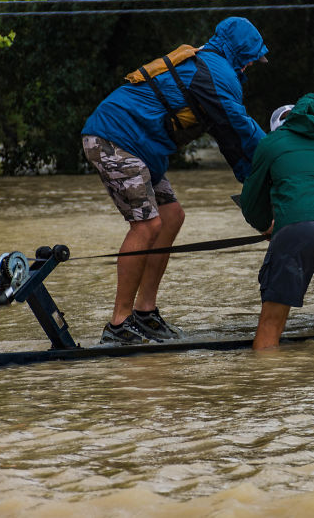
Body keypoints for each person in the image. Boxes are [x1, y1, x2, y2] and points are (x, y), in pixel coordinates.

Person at [81, 17, 269, 345]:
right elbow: (241, 131)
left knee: (171, 216)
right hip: (113, 138)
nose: (252, 64)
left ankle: (145, 313)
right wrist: (275, 164)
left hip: (141, 147)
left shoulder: (214, 69)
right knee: (147, 226)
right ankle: (118, 324)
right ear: (238, 52)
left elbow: (231, 142)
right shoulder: (217, 74)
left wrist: (254, 184)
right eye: (251, 57)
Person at [240, 93, 314, 350]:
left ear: (277, 128)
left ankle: (264, 373)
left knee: (272, 319)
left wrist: (266, 226)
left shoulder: (271, 143)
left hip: (296, 230)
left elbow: (251, 201)